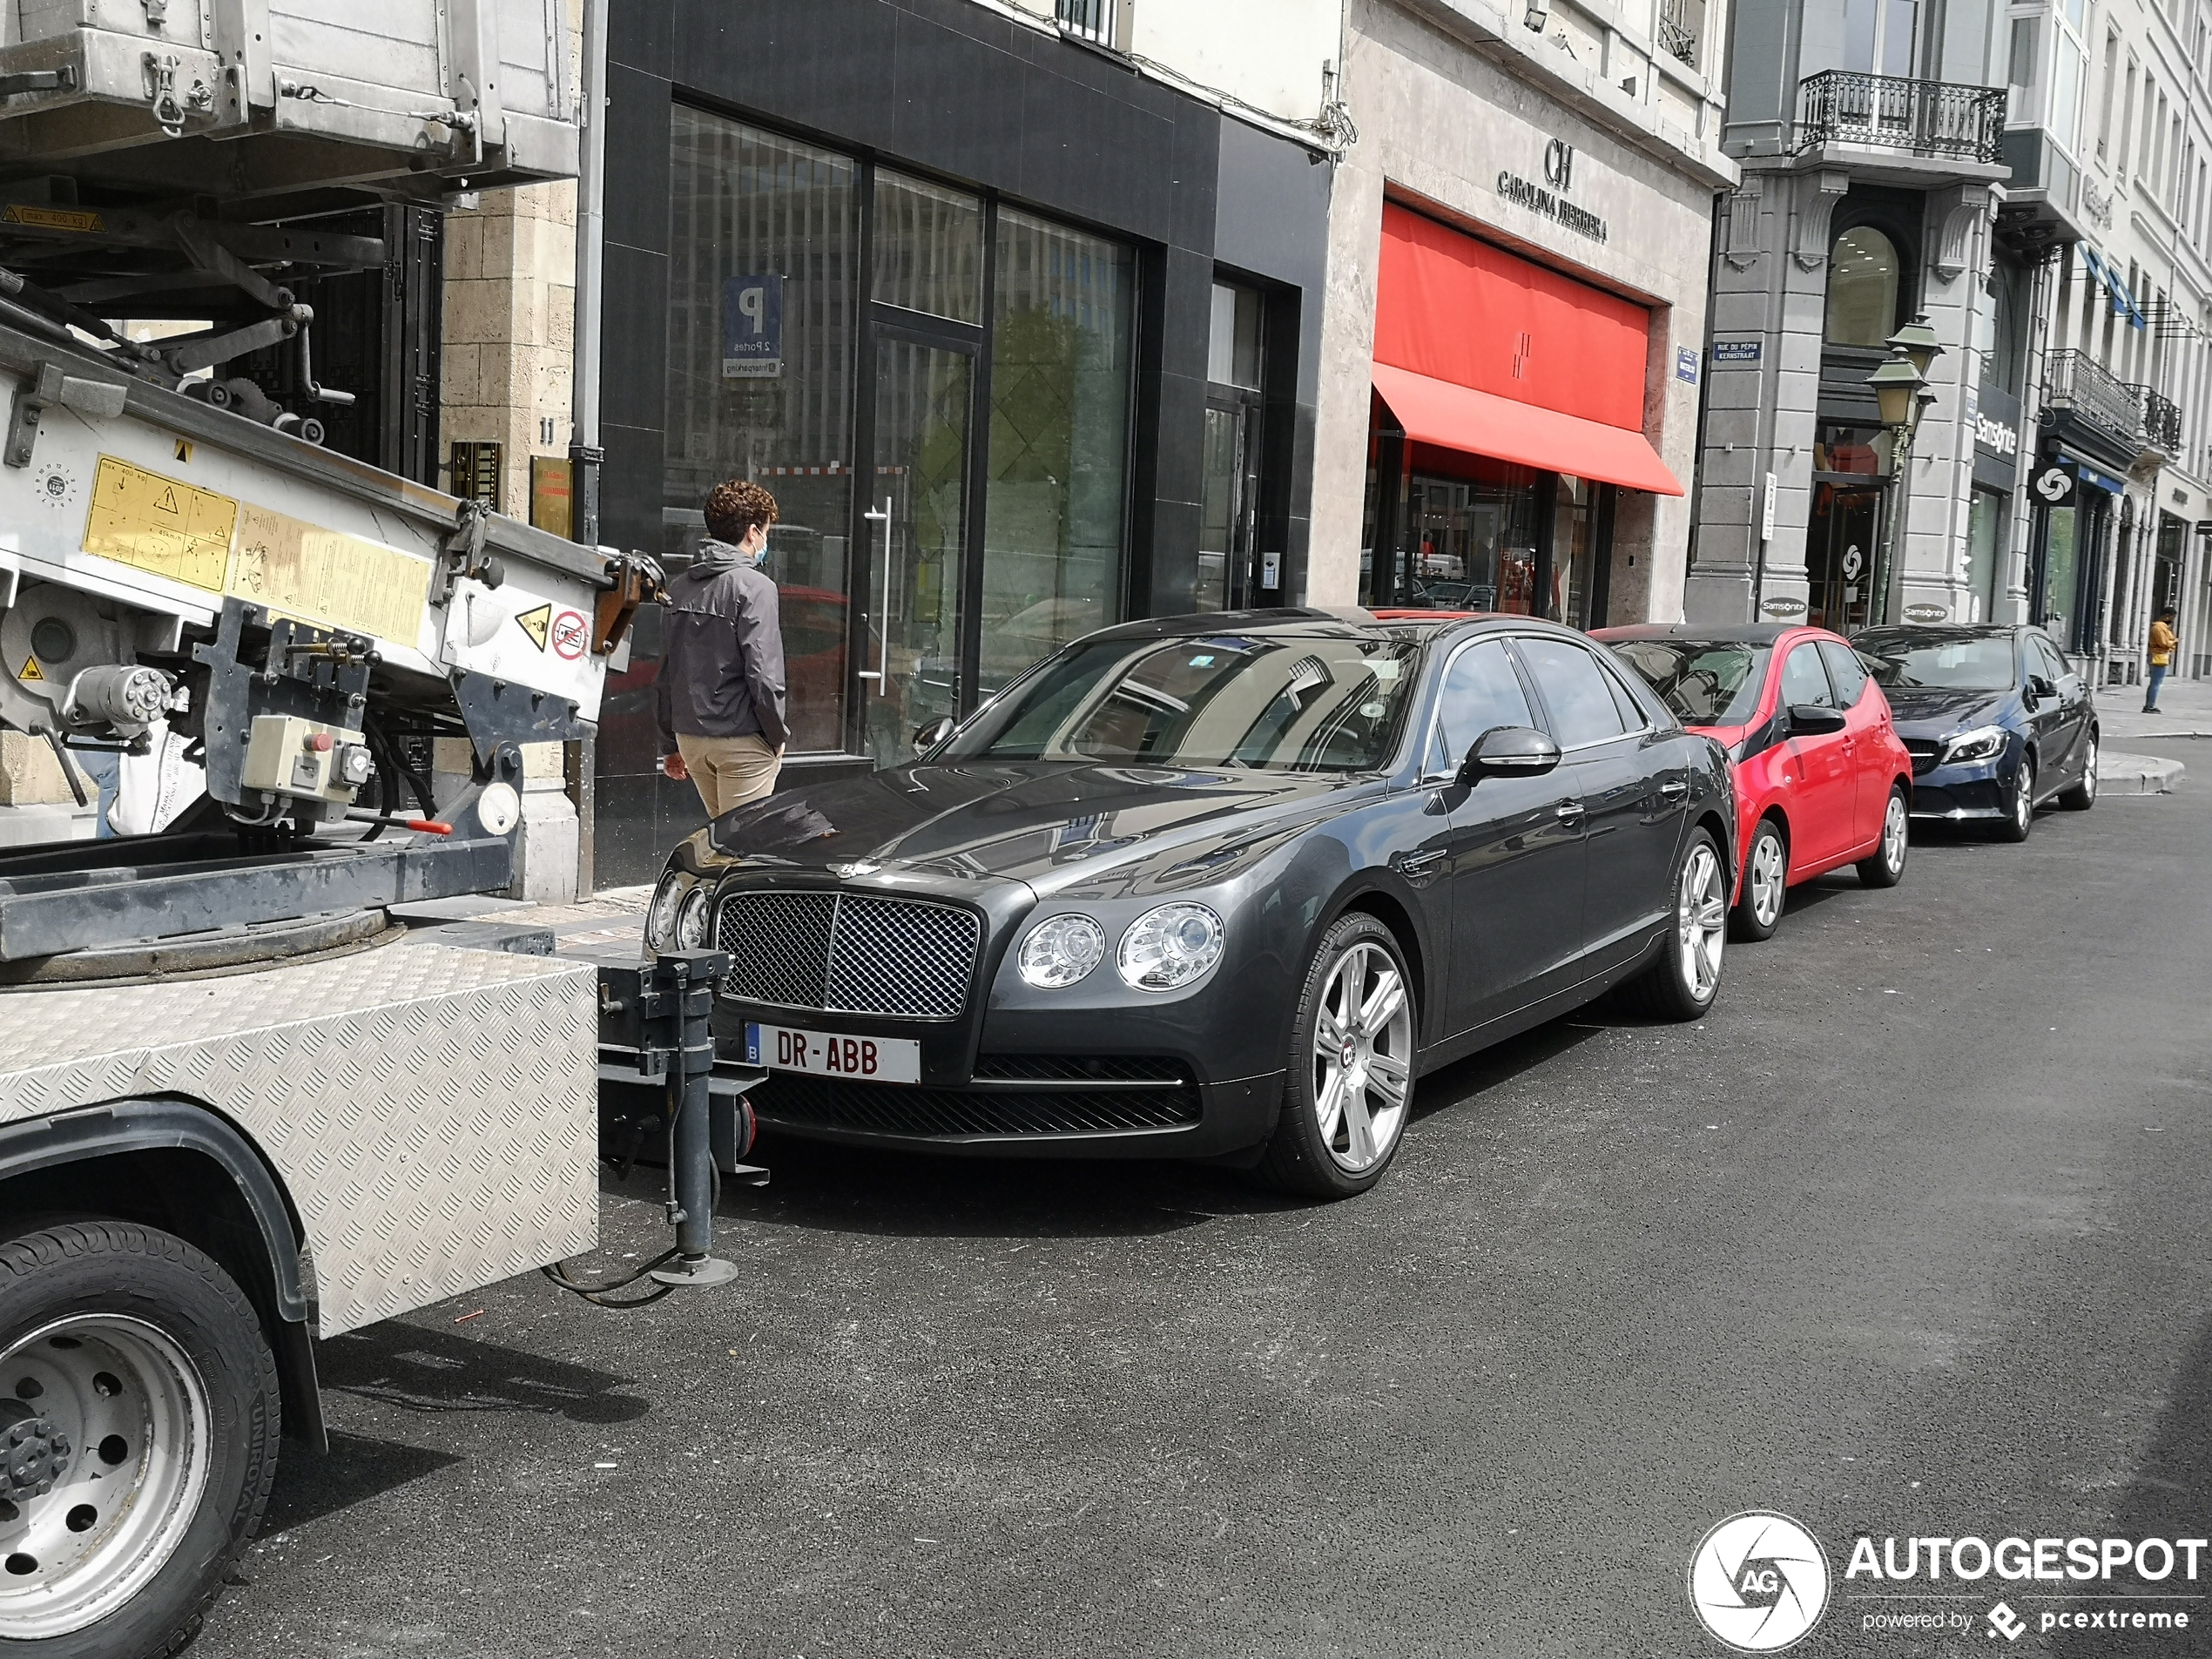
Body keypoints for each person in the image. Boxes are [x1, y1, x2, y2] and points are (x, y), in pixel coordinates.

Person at [657, 479, 789, 818]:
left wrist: (671, 745)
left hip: (692, 739)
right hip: (742, 740)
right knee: (744, 847)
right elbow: (764, 673)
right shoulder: (756, 587)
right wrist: (776, 736)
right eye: (766, 532)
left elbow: (667, 672)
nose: (765, 541)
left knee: (723, 841)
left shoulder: (681, 587)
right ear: (752, 532)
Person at [2145, 606, 2178, 714]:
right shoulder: (2160, 627)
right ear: (2167, 616)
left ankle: (2150, 704)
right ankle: (2150, 705)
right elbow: (2164, 643)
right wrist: (2173, 642)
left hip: (2159, 655)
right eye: (2172, 617)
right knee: (2156, 682)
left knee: (2155, 682)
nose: (2172, 620)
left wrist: (2171, 643)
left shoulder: (2161, 627)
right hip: (2158, 656)